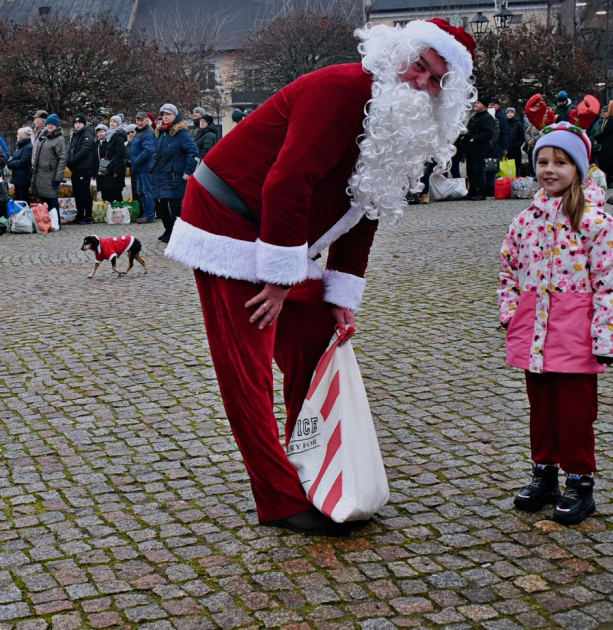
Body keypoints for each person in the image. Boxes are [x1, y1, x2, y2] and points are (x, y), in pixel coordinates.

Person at [163, 19, 476, 536]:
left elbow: (368, 211)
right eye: (420, 66)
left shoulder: (400, 126)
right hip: (228, 215)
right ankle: (280, 498)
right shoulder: (340, 89)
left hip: (284, 237)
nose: (422, 82)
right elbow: (289, 182)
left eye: (437, 80)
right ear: (398, 54)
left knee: (313, 347)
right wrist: (283, 279)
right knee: (248, 367)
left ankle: (314, 469)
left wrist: (340, 291)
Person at [500, 122, 613, 526]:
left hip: (576, 337)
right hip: (534, 333)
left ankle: (580, 482)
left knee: (575, 414)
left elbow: (612, 282)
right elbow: (509, 269)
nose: (549, 169)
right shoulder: (525, 221)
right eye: (542, 161)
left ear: (579, 167)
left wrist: (606, 335)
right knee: (542, 410)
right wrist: (510, 314)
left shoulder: (596, 222)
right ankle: (545, 473)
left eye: (560, 161)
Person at [151, 103, 199, 243]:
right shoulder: (161, 132)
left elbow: (193, 151)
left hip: (175, 176)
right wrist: (152, 168)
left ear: (175, 115)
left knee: (174, 206)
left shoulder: (181, 133)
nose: (165, 117)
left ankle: (176, 232)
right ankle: (169, 229)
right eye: (163, 115)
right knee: (161, 204)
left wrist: (188, 170)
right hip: (160, 175)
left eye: (168, 114)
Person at [30, 114, 67, 213]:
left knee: (52, 200)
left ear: (56, 126)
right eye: (48, 124)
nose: (50, 126)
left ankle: (56, 222)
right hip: (41, 174)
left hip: (51, 175)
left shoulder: (59, 139)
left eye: (52, 124)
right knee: (43, 200)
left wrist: (58, 178)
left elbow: (62, 159)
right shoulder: (44, 137)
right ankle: (47, 222)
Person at [463, 99, 497, 200]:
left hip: (480, 148)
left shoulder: (487, 118)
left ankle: (481, 192)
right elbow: (469, 129)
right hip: (470, 148)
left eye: (478, 103)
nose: (476, 105)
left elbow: (488, 133)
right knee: (470, 170)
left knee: (478, 170)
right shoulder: (474, 117)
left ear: (484, 105)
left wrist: (475, 139)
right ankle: (472, 190)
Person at [69, 114, 98, 224]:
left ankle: (88, 216)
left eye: (79, 123)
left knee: (85, 193)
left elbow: (84, 151)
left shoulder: (87, 134)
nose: (77, 125)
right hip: (76, 168)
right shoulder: (76, 135)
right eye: (76, 123)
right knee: (77, 193)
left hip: (84, 168)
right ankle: (80, 215)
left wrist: (72, 161)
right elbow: (71, 150)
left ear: (84, 123)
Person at [129, 112, 157, 224]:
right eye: (138, 120)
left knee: (147, 191)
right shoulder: (139, 132)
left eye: (142, 120)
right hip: (139, 167)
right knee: (141, 191)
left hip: (145, 167)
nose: (140, 122)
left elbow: (148, 151)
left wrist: (136, 161)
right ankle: (146, 214)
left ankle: (150, 215)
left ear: (146, 120)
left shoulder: (148, 133)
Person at [594, 100, 613, 185]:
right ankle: (611, 180)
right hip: (610, 144)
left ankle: (611, 180)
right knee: (609, 162)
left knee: (610, 163)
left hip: (610, 144)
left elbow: (606, 132)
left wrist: (597, 138)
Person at [95, 124, 127, 203]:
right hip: (100, 171)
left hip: (110, 171)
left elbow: (118, 155)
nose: (100, 134)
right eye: (98, 132)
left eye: (102, 131)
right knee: (104, 194)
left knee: (114, 193)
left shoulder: (111, 142)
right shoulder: (96, 144)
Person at [7, 127, 34, 203]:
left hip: (23, 178)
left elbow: (23, 161)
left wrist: (11, 164)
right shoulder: (20, 146)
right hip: (18, 178)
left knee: (23, 199)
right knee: (18, 198)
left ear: (22, 137)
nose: (17, 136)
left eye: (18, 135)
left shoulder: (28, 147)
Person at [504, 106, 526, 175]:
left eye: (511, 112)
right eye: (508, 113)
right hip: (506, 149)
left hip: (515, 150)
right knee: (506, 167)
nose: (509, 114)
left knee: (516, 167)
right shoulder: (504, 123)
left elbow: (522, 136)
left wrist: (518, 145)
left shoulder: (518, 124)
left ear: (514, 114)